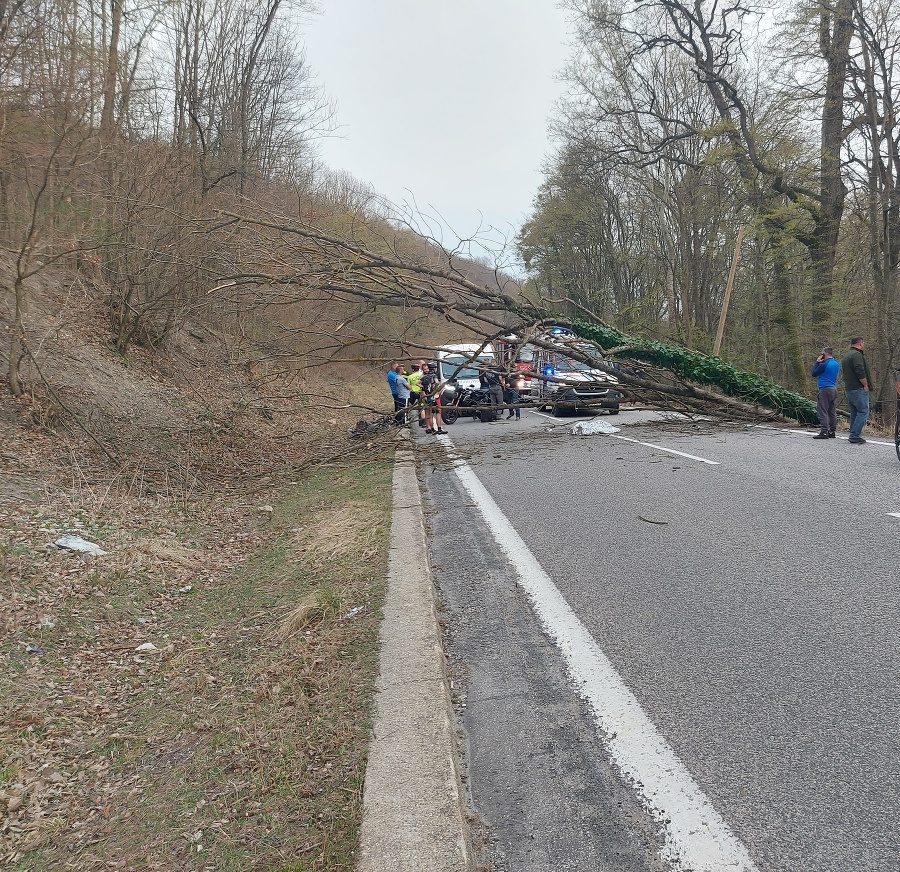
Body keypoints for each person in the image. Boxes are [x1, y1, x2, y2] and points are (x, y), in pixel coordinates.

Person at [841, 336, 873, 444]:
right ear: (860, 344)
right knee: (863, 411)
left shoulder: (847, 356)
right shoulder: (856, 355)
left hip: (849, 388)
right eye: (863, 343)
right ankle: (855, 435)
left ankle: (853, 433)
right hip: (858, 388)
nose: (863, 345)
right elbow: (859, 370)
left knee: (854, 412)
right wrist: (865, 384)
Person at [811, 347, 839, 439]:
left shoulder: (824, 364)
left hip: (825, 388)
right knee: (832, 411)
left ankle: (824, 432)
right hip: (833, 388)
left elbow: (814, 373)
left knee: (822, 411)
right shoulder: (836, 363)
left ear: (825, 354)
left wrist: (818, 362)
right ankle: (832, 431)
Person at [419, 362, 446, 435]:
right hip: (435, 396)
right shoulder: (434, 375)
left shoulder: (423, 377)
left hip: (427, 397)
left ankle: (432, 429)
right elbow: (437, 383)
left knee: (429, 414)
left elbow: (417, 383)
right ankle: (439, 428)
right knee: (438, 412)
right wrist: (436, 388)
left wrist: (423, 387)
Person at [407, 363, 424, 428]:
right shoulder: (421, 375)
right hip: (421, 392)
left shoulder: (410, 377)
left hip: (413, 393)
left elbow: (408, 386)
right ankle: (422, 422)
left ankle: (407, 419)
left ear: (413, 369)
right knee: (422, 407)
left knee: (410, 406)